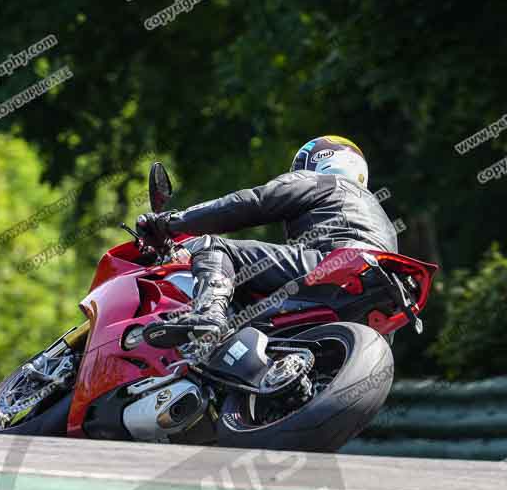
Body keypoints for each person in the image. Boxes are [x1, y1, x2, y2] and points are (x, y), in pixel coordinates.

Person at [137, 135, 399, 348]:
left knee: (214, 246)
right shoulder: (382, 218)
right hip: (380, 295)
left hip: (334, 263)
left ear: (316, 162)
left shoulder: (324, 182)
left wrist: (172, 223)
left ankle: (209, 313)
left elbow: (252, 203)